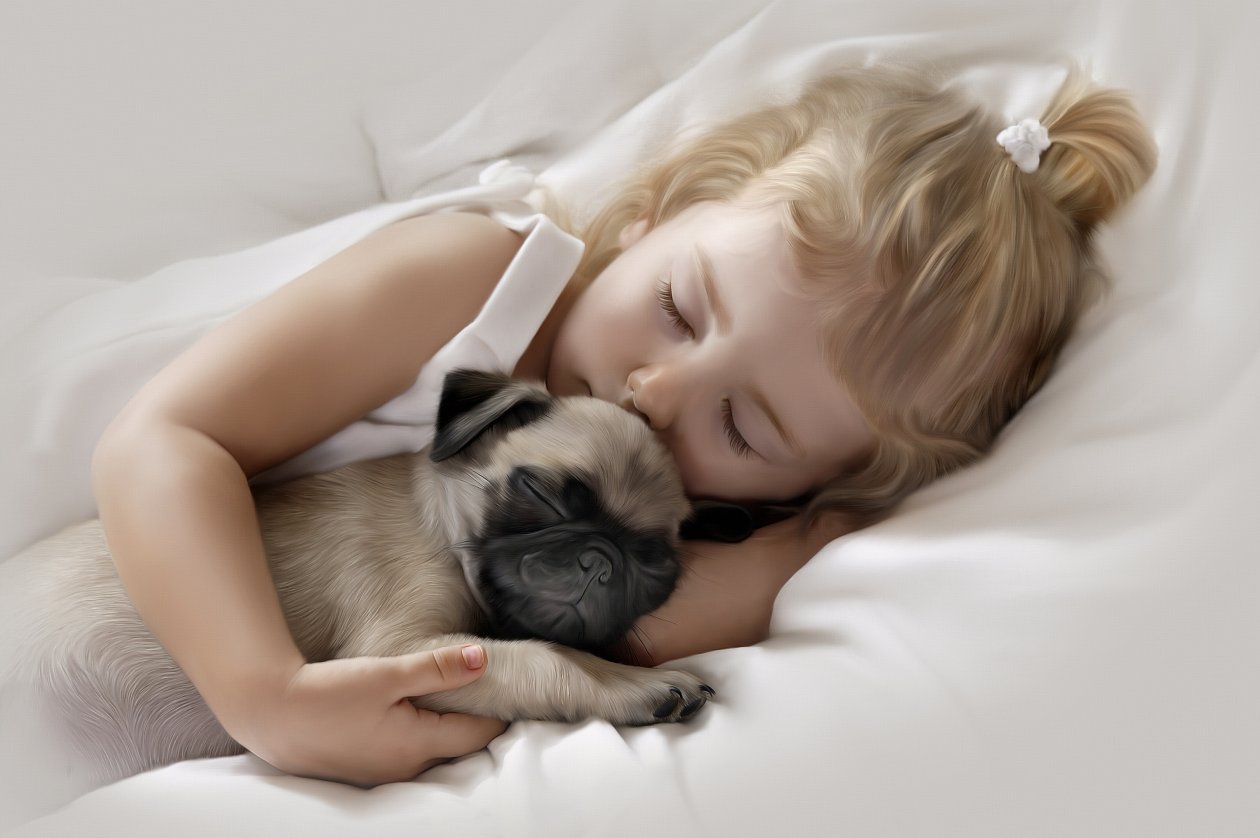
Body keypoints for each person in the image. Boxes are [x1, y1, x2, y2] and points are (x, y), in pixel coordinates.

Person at [88, 62, 1156, 789]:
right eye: (681, 307)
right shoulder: (473, 285)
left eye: (741, 425)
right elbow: (165, 440)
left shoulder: (676, 531)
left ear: (796, 487)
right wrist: (262, 692)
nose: (657, 390)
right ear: (658, 211)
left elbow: (629, 646)